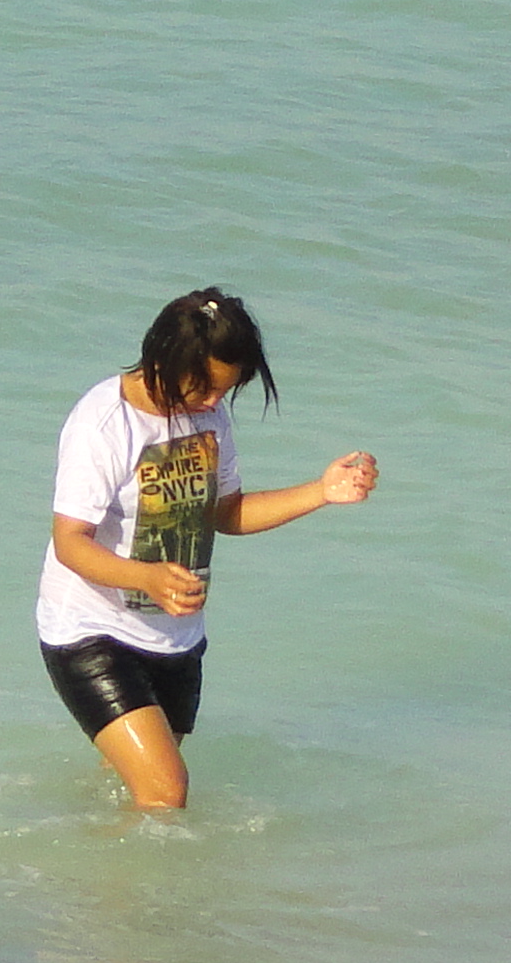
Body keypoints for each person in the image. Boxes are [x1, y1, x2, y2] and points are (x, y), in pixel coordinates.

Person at [39, 285, 380, 810]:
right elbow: (70, 544)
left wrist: (321, 491)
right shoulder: (104, 423)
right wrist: (147, 577)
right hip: (90, 631)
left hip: (174, 638)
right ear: (164, 361)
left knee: (127, 789)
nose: (213, 403)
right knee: (166, 791)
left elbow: (225, 513)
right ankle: (132, 894)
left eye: (227, 390)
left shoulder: (209, 417)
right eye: (204, 388)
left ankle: (94, 884)